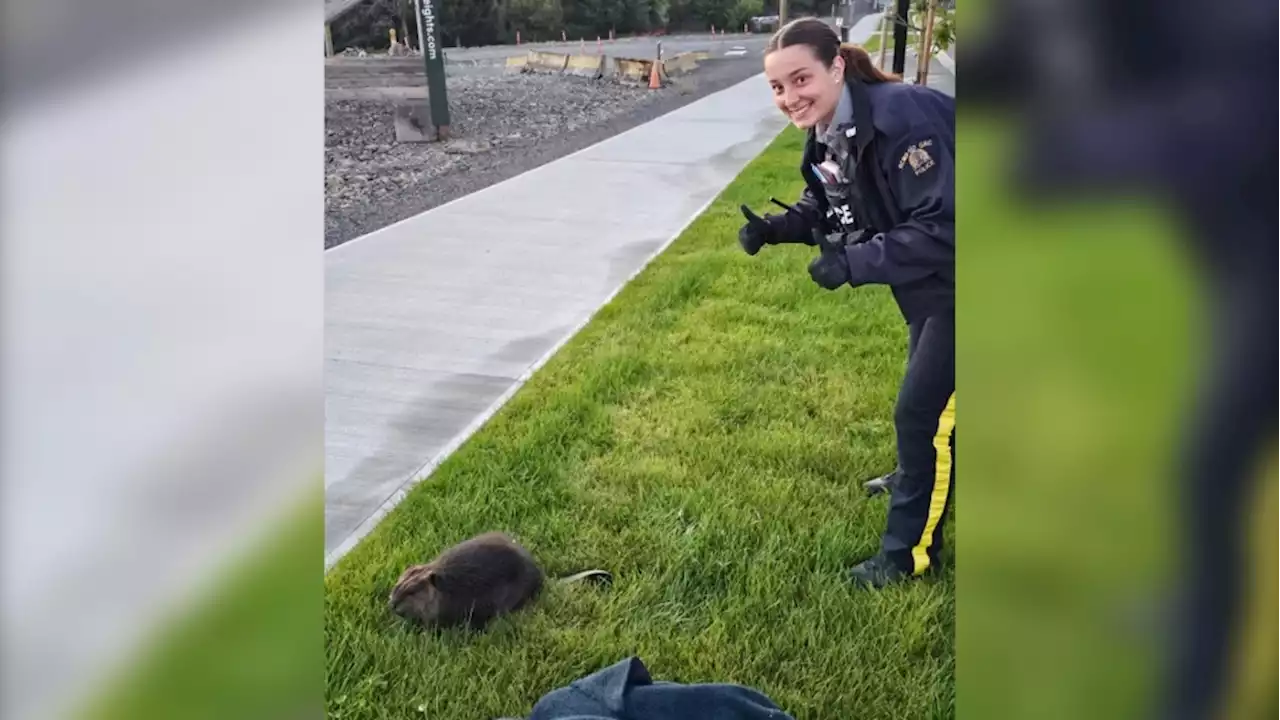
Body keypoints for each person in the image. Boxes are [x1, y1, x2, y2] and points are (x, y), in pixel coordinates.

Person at [736, 17, 955, 589]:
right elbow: (832, 198)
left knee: (921, 412)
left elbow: (946, 228)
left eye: (800, 79)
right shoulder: (834, 123)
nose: (789, 98)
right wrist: (779, 229)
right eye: (778, 88)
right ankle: (918, 472)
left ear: (836, 66)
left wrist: (853, 264)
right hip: (937, 281)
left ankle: (908, 556)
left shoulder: (905, 117)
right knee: (930, 401)